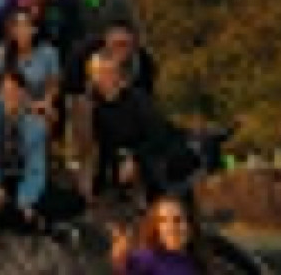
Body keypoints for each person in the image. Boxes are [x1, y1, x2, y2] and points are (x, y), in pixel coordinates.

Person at [73, 54, 193, 205]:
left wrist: (135, 158)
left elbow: (158, 134)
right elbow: (95, 147)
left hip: (156, 150)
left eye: (110, 72)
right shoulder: (90, 105)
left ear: (119, 75)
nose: (105, 78)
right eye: (99, 73)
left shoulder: (138, 99)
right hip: (119, 157)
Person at [0, 67, 84, 233]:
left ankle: (19, 217)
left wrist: (24, 200)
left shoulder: (35, 126)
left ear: (24, 94)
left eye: (16, 91)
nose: (11, 96)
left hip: (19, 177)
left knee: (74, 201)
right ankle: (37, 223)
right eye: (6, 91)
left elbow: (36, 169)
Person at [0, 10, 61, 124]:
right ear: (12, 31)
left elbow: (53, 84)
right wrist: (29, 106)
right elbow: (1, 90)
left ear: (34, 29)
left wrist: (47, 102)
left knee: (50, 117)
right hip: (12, 105)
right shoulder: (0, 53)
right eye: (17, 26)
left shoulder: (49, 52)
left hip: (42, 105)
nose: (21, 30)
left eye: (25, 25)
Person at [115, 195, 211, 275]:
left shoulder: (200, 258)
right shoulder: (148, 258)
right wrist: (121, 257)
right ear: (155, 227)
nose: (171, 227)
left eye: (177, 220)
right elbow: (123, 264)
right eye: (163, 221)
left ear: (190, 224)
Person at [65, 18, 157, 99]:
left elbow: (146, 98)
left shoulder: (145, 64)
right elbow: (71, 91)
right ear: (106, 42)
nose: (120, 50)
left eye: (124, 44)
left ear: (134, 45)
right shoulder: (82, 57)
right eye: (116, 44)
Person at [28, 0, 83, 75]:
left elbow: (78, 32)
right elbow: (28, 32)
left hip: (67, 57)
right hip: (40, 60)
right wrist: (35, 5)